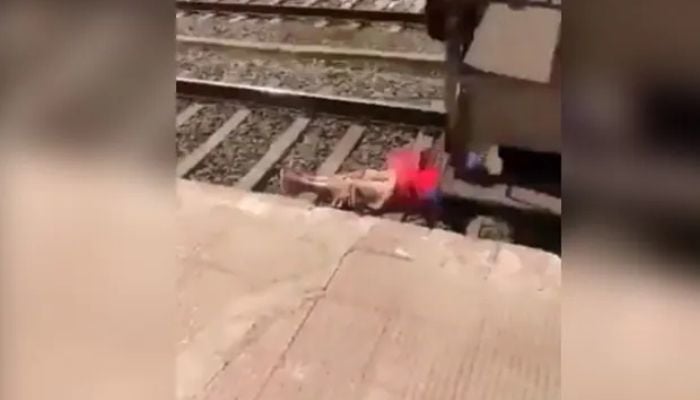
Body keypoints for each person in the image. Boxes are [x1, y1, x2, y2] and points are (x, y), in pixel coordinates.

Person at [280, 148, 443, 226]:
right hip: (428, 177)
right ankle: (310, 182)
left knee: (363, 185)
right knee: (365, 178)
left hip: (428, 183)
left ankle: (308, 183)